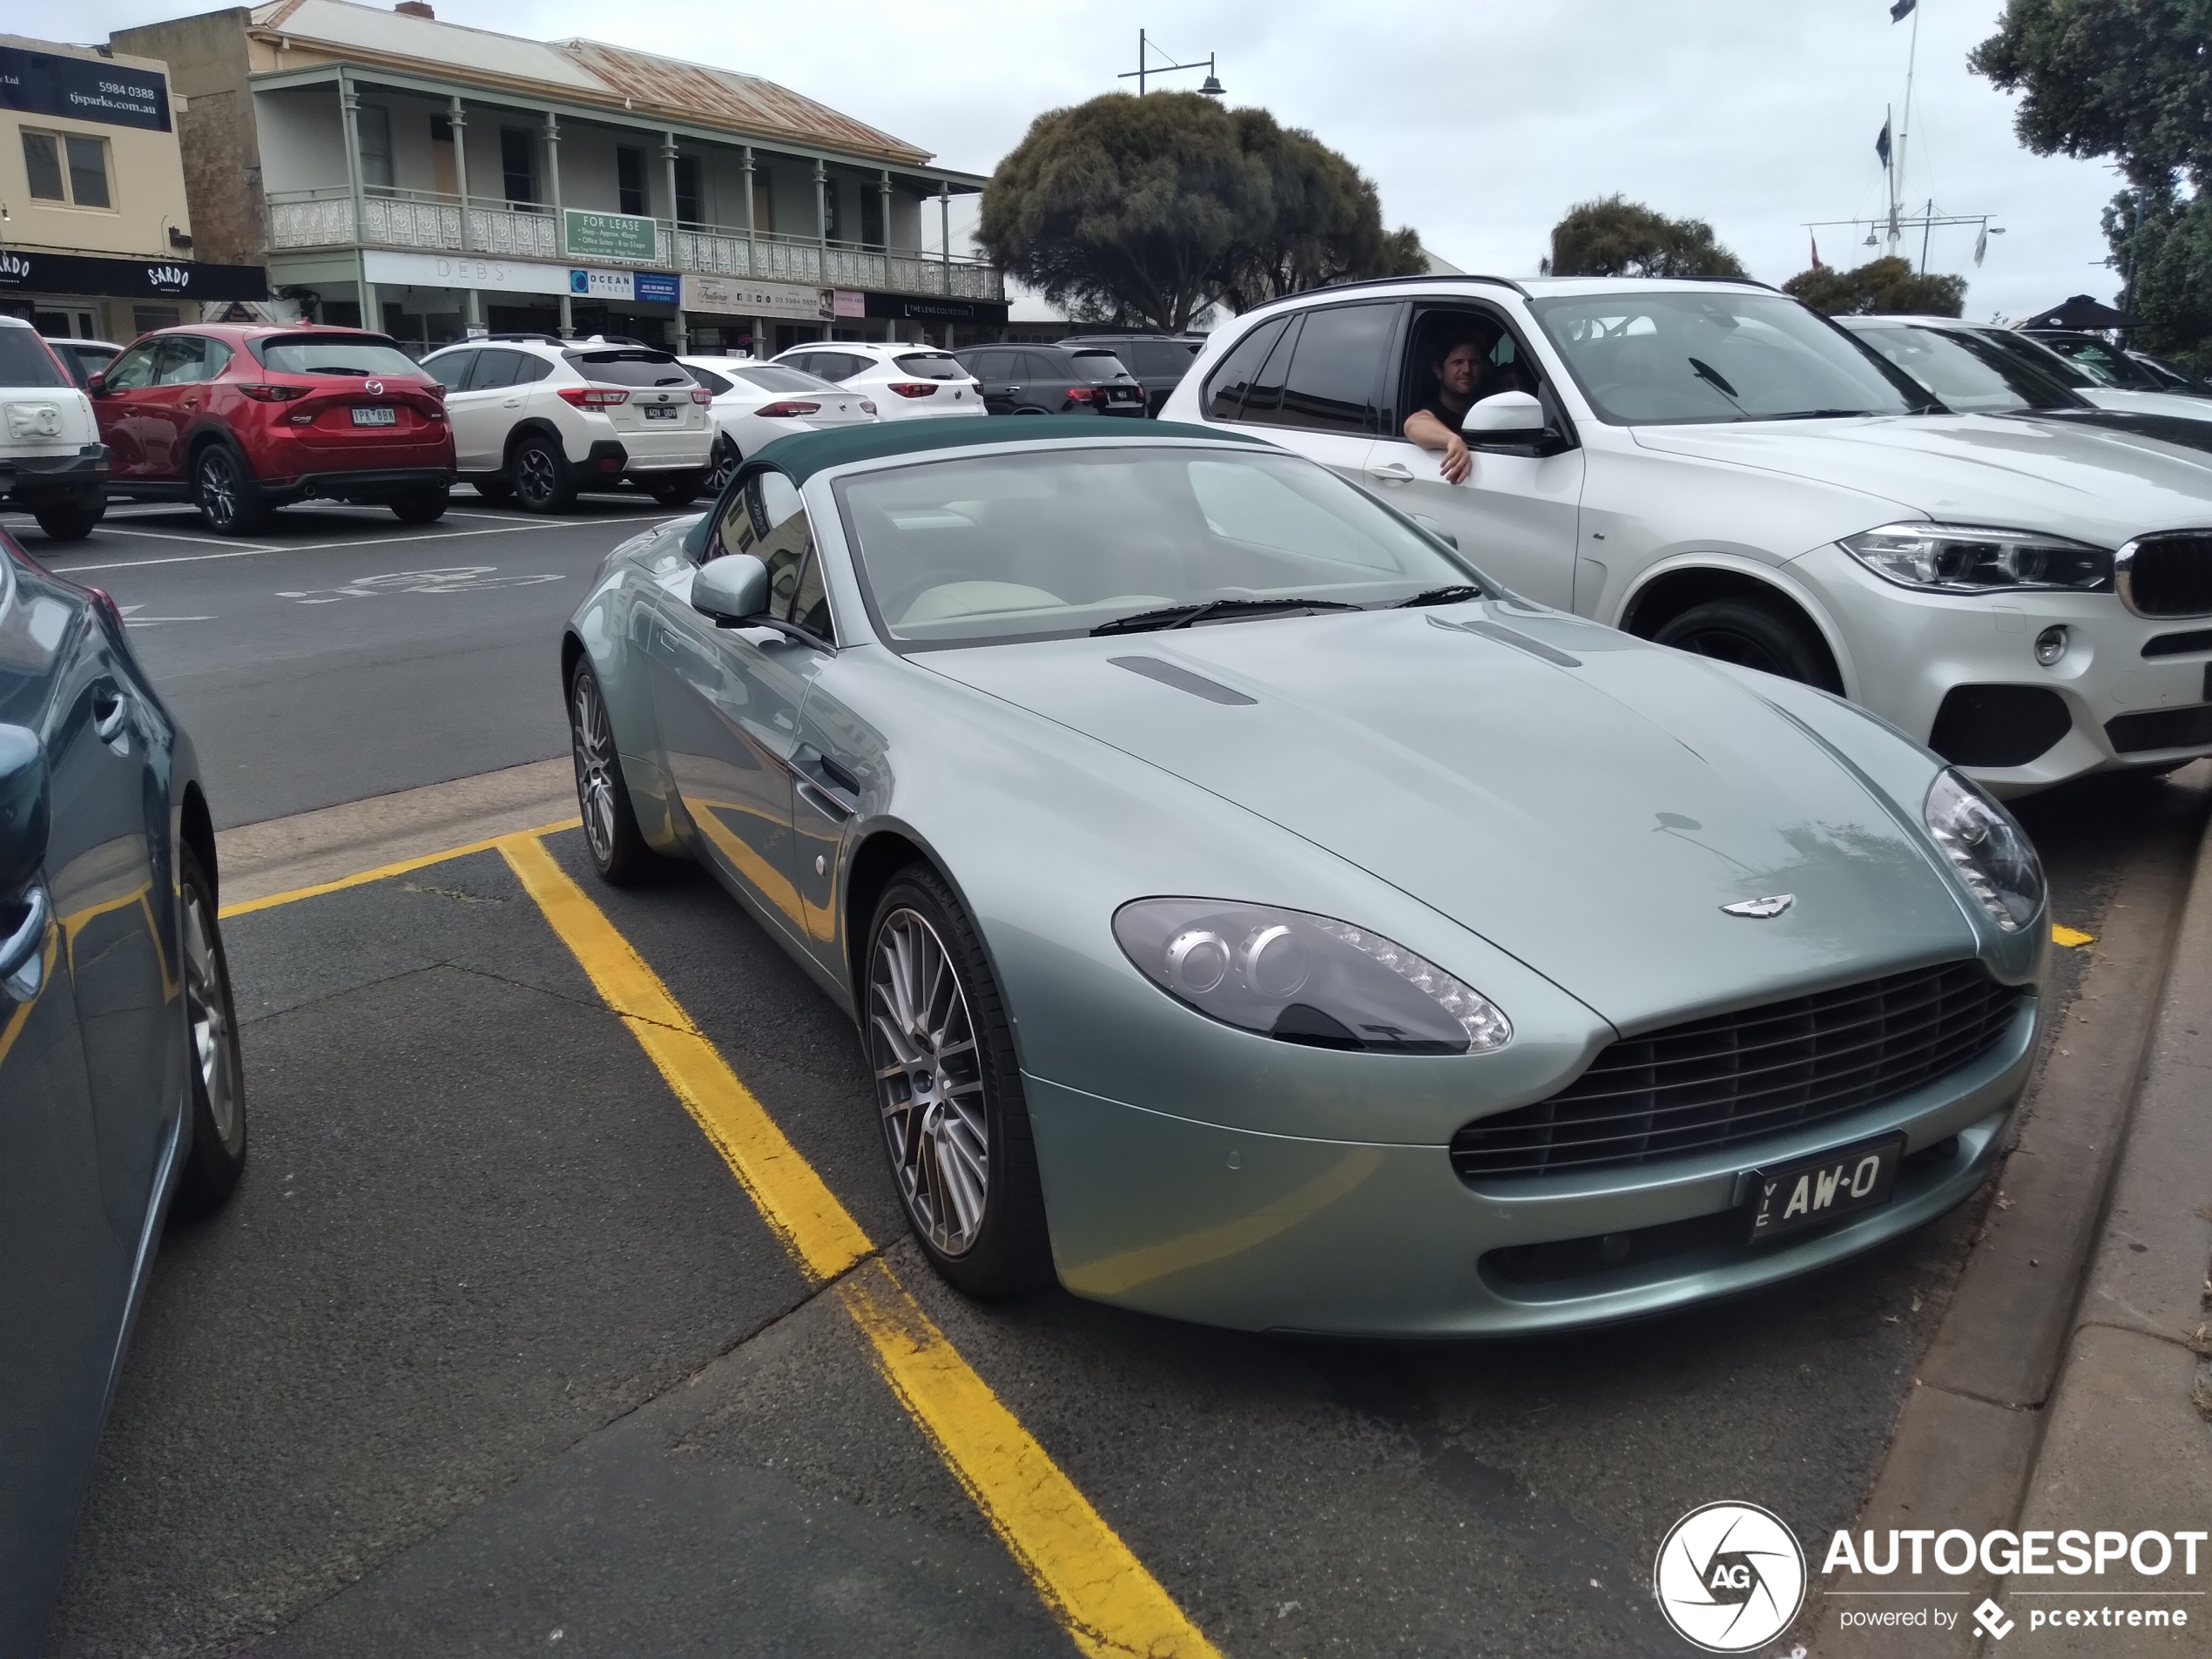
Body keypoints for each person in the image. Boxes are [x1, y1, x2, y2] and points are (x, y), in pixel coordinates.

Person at [1404, 332, 1486, 483]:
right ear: (1438, 370)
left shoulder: (1485, 410)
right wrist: (1452, 440)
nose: (1467, 370)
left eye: (1474, 362)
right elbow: (1413, 424)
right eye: (1457, 362)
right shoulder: (1432, 412)